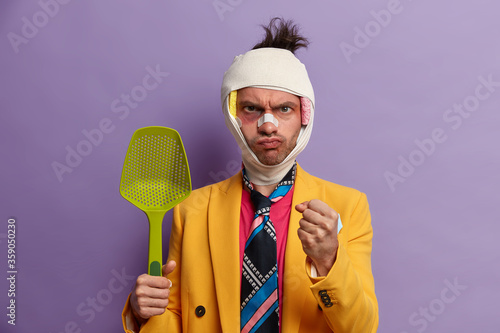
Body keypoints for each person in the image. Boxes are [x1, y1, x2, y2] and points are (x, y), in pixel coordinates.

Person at [122, 17, 378, 333]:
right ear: (233, 116)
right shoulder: (190, 210)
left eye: (284, 109)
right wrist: (145, 312)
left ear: (304, 116)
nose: (268, 125)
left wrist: (329, 262)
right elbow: (173, 315)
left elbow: (361, 328)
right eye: (252, 109)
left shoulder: (348, 206)